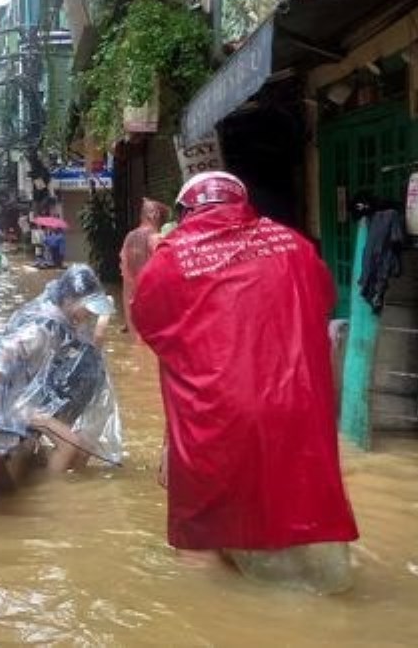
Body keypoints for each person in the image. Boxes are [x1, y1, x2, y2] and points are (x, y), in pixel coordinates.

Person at [131, 172, 358, 594]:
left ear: (186, 211)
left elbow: (150, 326)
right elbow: (322, 300)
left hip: (215, 415)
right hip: (298, 406)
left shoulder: (171, 257)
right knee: (300, 506)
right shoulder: (294, 245)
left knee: (201, 537)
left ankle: (215, 624)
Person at [0, 264, 123, 472]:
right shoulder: (42, 327)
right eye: (88, 306)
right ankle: (53, 493)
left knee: (84, 446)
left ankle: (63, 481)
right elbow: (1, 356)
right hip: (15, 403)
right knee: (69, 444)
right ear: (68, 300)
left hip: (36, 402)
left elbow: (91, 356)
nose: (89, 313)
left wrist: (102, 321)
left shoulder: (68, 322)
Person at [119, 198, 169, 328]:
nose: (140, 214)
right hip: (153, 305)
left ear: (153, 215)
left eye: (143, 211)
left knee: (138, 344)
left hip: (132, 304)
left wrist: (127, 318)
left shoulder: (129, 237)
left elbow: (125, 276)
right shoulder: (159, 240)